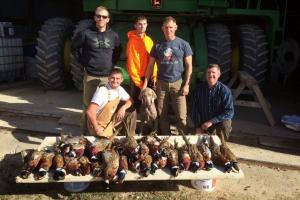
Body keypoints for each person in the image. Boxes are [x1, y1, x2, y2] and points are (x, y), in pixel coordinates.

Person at [71, 6, 122, 135]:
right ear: (94, 18)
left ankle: (104, 132)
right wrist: (83, 63)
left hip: (107, 78)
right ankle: (86, 134)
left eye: (104, 17)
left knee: (106, 106)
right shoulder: (86, 34)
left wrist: (111, 64)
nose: (101, 18)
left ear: (108, 19)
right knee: (88, 106)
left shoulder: (113, 36)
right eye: (98, 16)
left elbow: (118, 50)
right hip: (91, 76)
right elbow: (74, 47)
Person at [142, 16, 193, 135]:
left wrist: (187, 84)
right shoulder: (157, 45)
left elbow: (189, 66)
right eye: (166, 28)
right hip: (161, 84)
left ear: (175, 28)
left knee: (181, 115)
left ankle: (182, 139)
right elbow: (150, 65)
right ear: (162, 29)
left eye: (171, 27)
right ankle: (166, 138)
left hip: (178, 83)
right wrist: (145, 83)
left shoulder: (183, 44)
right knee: (162, 114)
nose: (168, 30)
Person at [86, 68, 136, 137]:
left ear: (122, 80)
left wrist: (123, 108)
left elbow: (130, 100)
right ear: (108, 78)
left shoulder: (120, 89)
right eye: (113, 78)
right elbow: (90, 111)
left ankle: (130, 137)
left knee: (131, 111)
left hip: (110, 121)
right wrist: (96, 128)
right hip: (98, 124)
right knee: (104, 145)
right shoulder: (103, 91)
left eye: (118, 78)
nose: (115, 81)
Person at [189, 63, 234, 141]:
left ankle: (221, 139)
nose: (211, 75)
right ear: (205, 75)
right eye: (208, 72)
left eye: (213, 73)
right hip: (203, 124)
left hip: (218, 122)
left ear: (219, 74)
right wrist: (198, 126)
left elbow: (229, 112)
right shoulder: (199, 89)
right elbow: (193, 109)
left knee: (225, 124)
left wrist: (211, 121)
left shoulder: (224, 90)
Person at [126, 16, 157, 109]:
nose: (142, 26)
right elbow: (131, 64)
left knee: (150, 103)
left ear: (147, 25)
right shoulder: (132, 42)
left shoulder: (149, 40)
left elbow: (154, 59)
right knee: (136, 102)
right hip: (137, 79)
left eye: (144, 24)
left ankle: (150, 122)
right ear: (135, 25)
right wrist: (139, 84)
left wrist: (154, 75)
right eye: (140, 24)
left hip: (149, 76)